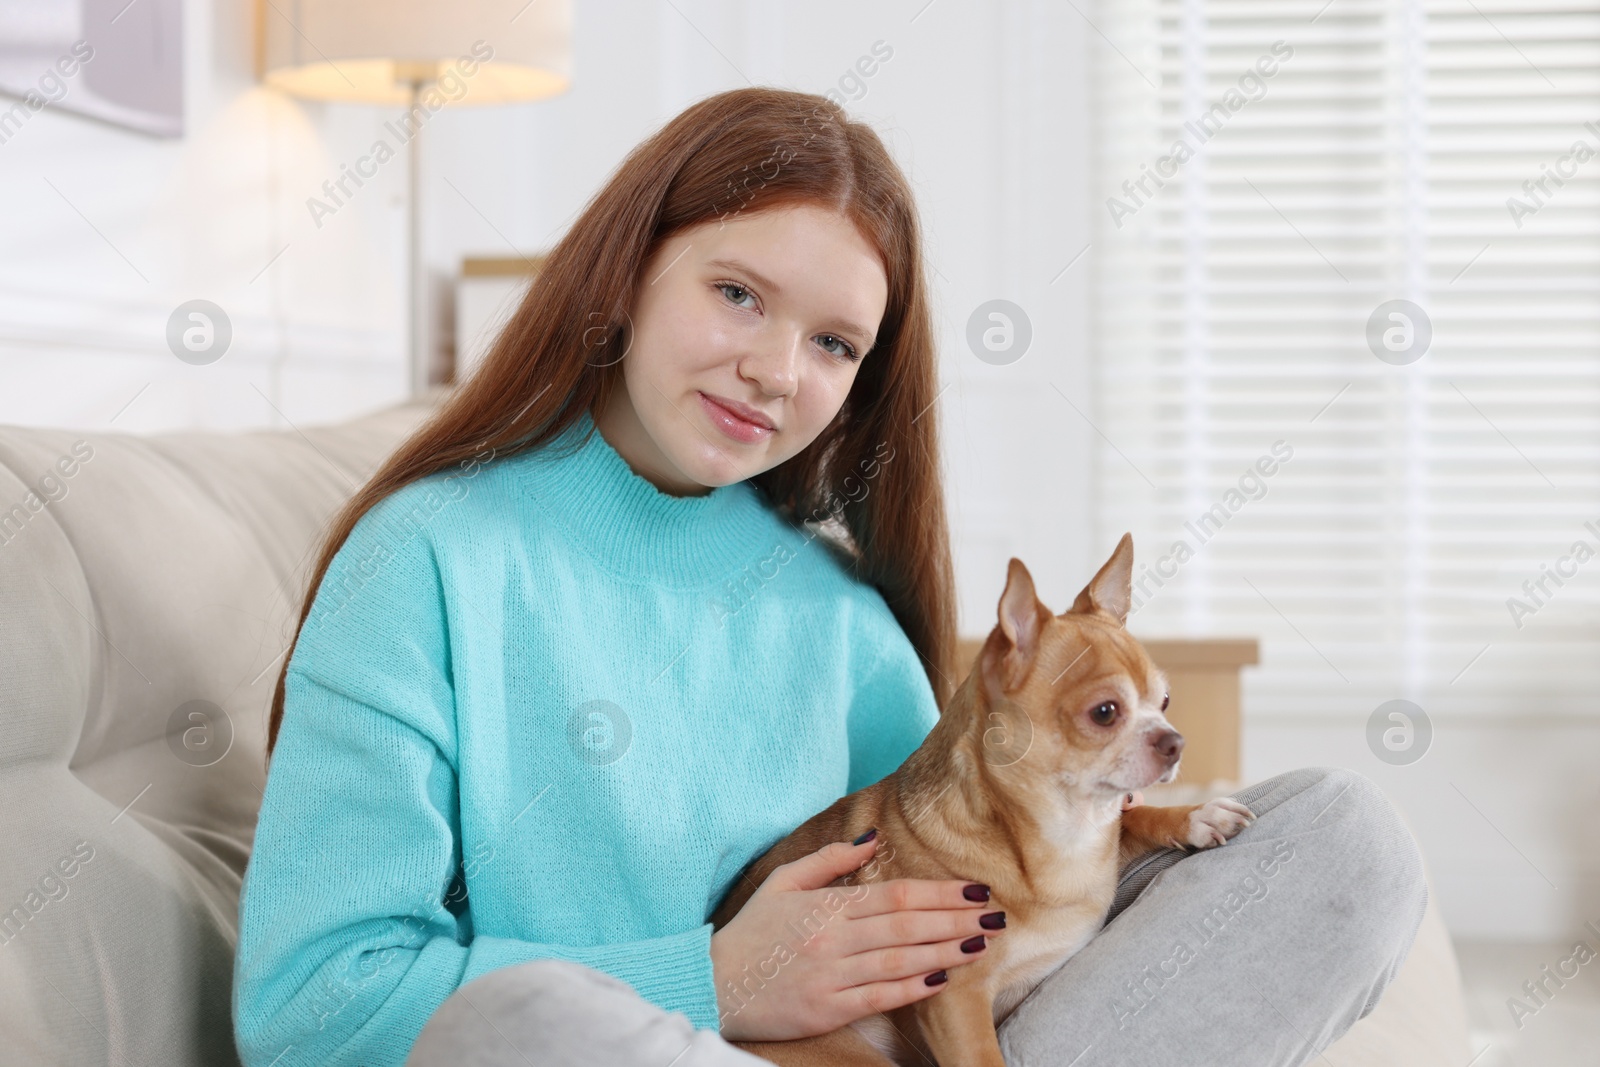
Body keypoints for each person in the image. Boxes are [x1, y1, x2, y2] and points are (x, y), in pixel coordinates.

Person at [231, 87, 1429, 1067]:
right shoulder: (429, 558)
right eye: (738, 292)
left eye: (833, 343)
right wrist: (711, 980)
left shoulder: (850, 622)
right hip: (626, 1049)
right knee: (533, 1018)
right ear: (628, 269)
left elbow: (968, 949)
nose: (772, 369)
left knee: (1339, 840)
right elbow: (312, 1004)